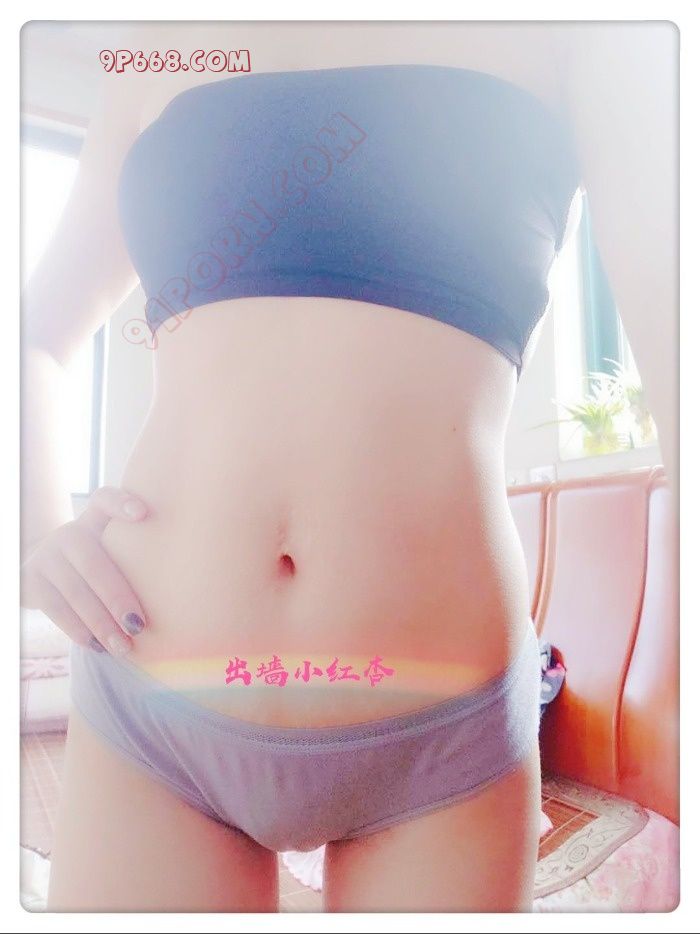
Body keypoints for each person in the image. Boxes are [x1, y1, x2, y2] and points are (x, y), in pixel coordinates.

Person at [20, 21, 677, 912]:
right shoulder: (158, 38)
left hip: (441, 732)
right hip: (150, 693)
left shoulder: (579, 25)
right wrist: (34, 535)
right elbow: (35, 335)